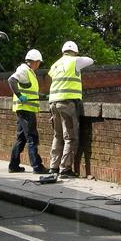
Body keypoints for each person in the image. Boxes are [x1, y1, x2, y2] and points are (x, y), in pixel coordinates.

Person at [47, 40, 94, 177]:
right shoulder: (74, 61)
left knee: (58, 135)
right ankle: (65, 168)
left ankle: (53, 167)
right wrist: (77, 57)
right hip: (67, 103)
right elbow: (90, 60)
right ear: (75, 51)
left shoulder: (55, 64)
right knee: (70, 137)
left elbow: (50, 74)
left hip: (53, 103)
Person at [7, 49, 48, 174]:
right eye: (39, 62)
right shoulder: (24, 70)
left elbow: (29, 91)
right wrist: (19, 96)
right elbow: (11, 80)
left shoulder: (29, 72)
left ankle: (13, 165)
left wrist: (42, 96)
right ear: (35, 62)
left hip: (24, 109)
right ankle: (37, 166)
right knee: (32, 137)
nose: (39, 64)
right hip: (25, 109)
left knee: (21, 139)